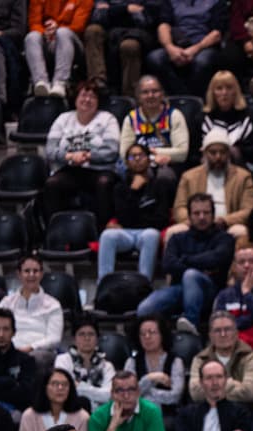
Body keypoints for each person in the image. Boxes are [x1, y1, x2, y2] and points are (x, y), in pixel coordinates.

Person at [137, 193, 235, 335]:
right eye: (196, 213)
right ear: (189, 216)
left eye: (206, 212)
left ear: (213, 215)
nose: (201, 217)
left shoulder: (225, 239)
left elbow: (217, 258)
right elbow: (168, 264)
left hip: (211, 291)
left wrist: (185, 259)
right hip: (179, 289)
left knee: (191, 275)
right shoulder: (177, 239)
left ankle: (191, 322)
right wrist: (201, 265)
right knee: (145, 309)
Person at [43, 81, 119, 226]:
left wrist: (87, 156)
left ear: (98, 101)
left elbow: (112, 150)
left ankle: (103, 231)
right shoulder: (63, 119)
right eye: (83, 95)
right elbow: (50, 150)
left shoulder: (107, 119)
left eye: (92, 97)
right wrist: (70, 157)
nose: (87, 100)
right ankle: (55, 233)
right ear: (76, 99)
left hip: (100, 170)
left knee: (104, 183)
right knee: (52, 184)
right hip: (70, 169)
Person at [171, 128, 253, 240]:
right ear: (205, 153)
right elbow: (179, 208)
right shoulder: (189, 176)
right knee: (173, 232)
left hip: (228, 225)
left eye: (222, 152)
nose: (218, 157)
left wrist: (224, 220)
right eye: (213, 152)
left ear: (229, 154)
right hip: (195, 224)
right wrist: (198, 220)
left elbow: (249, 210)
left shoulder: (243, 177)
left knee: (241, 231)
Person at [98, 142, 167, 279]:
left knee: (151, 234)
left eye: (140, 155)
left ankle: (144, 284)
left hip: (147, 232)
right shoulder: (120, 188)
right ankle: (103, 286)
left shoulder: (160, 186)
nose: (136, 159)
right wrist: (133, 191)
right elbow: (123, 217)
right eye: (131, 157)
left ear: (148, 159)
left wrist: (136, 220)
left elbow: (161, 219)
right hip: (126, 234)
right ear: (127, 163)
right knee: (107, 236)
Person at [118, 75, 188, 203]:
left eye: (155, 91)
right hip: (139, 165)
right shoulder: (131, 119)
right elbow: (124, 154)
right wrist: (150, 158)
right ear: (139, 97)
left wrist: (160, 157)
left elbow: (182, 153)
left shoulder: (174, 115)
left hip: (168, 165)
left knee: (164, 176)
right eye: (145, 92)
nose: (151, 95)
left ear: (162, 94)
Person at [144, 0, 226, 97]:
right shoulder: (171, 2)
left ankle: (194, 100)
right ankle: (176, 97)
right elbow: (163, 26)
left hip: (203, 46)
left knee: (202, 61)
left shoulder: (216, 2)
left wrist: (194, 49)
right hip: (176, 45)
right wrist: (169, 47)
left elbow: (216, 33)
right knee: (155, 58)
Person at [0, 255, 64, 366]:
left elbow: (54, 338)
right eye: (27, 271)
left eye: (35, 271)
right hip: (9, 349)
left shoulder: (53, 305)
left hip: (39, 352)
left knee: (33, 359)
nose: (31, 275)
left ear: (42, 274)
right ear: (19, 274)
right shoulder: (6, 303)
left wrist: (31, 347)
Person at [81, 0, 156, 94]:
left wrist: (110, 11)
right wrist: (125, 9)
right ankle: (97, 82)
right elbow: (97, 17)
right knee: (92, 31)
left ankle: (129, 94)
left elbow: (144, 20)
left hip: (135, 34)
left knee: (129, 46)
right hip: (109, 32)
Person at [187, 310, 253, 403]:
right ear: (210, 336)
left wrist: (211, 386)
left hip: (240, 413)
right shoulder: (200, 359)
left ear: (236, 333)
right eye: (217, 330)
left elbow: (250, 393)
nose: (223, 334)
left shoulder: (249, 357)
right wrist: (234, 384)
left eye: (228, 329)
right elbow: (196, 394)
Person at [24, 0, 91, 98]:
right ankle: (40, 82)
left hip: (72, 43)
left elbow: (79, 25)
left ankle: (60, 82)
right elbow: (34, 22)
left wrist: (56, 27)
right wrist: (45, 32)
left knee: (63, 33)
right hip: (47, 38)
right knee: (32, 37)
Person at [199, 70, 253, 166]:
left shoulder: (250, 116)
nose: (224, 93)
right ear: (212, 92)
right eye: (219, 88)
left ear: (236, 91)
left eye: (229, 88)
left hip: (242, 169)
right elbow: (193, 153)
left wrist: (233, 151)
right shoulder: (202, 118)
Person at [0, 308, 38, 412]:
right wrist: (10, 382)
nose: (1, 334)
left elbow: (27, 394)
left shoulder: (26, 360)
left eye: (6, 329)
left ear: (14, 332)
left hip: (18, 413)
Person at [54, 317, 116, 410]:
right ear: (74, 339)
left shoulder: (107, 366)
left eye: (91, 334)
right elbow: (63, 391)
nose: (87, 338)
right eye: (81, 334)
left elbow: (109, 396)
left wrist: (79, 386)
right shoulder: (63, 360)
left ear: (97, 339)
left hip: (100, 415)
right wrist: (97, 393)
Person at [128, 314, 185, 411]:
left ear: (162, 334)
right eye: (142, 333)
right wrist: (151, 378)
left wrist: (146, 393)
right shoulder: (132, 362)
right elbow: (128, 394)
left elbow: (175, 396)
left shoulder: (175, 362)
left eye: (152, 332)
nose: (147, 337)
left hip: (167, 417)